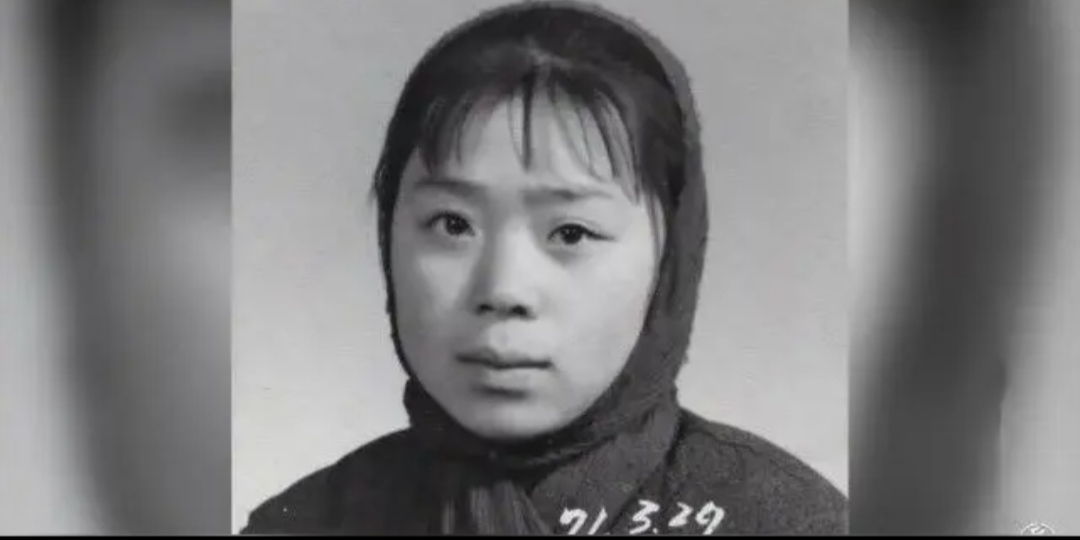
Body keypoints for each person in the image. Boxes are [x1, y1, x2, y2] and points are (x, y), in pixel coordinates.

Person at [242, 1, 846, 534]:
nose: (504, 289)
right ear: (389, 235)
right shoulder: (303, 524)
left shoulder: (788, 523)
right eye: (453, 225)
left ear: (670, 262)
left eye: (571, 232)